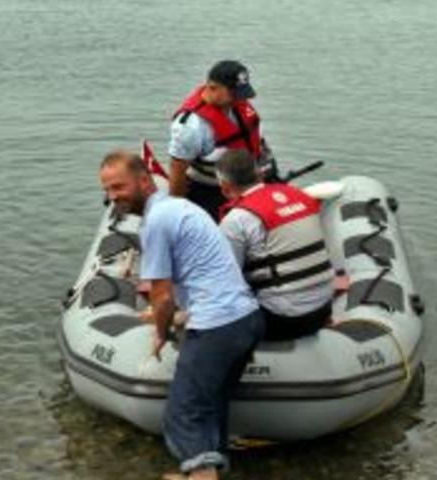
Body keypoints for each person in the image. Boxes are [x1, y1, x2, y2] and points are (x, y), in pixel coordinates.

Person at [99, 150, 265, 480]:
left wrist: (161, 331)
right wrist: (175, 315)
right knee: (212, 401)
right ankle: (209, 468)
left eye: (119, 187)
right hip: (247, 318)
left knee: (183, 413)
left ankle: (201, 475)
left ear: (145, 180)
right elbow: (188, 281)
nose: (112, 197)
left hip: (217, 326)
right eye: (107, 190)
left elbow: (161, 295)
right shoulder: (182, 207)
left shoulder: (157, 222)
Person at [216, 149, 335, 341]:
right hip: (323, 308)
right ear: (260, 174)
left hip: (282, 319)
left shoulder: (235, 221)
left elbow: (224, 282)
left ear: (225, 187)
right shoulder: (300, 196)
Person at [168, 60, 275, 221]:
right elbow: (178, 172)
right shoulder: (191, 127)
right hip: (212, 192)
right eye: (234, 94)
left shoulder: (237, 105)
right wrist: (177, 212)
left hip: (255, 180)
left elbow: (257, 143)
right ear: (212, 87)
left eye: (241, 93)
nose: (239, 99)